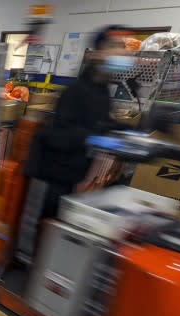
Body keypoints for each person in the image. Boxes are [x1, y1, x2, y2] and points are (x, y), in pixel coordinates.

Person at [19, 25, 132, 261]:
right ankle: (26, 263)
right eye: (115, 47)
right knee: (40, 222)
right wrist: (94, 138)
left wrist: (130, 132)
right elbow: (61, 135)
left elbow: (102, 124)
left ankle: (47, 265)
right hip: (49, 172)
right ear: (98, 54)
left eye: (124, 48)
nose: (122, 54)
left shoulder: (102, 91)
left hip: (73, 172)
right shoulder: (76, 91)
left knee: (59, 225)